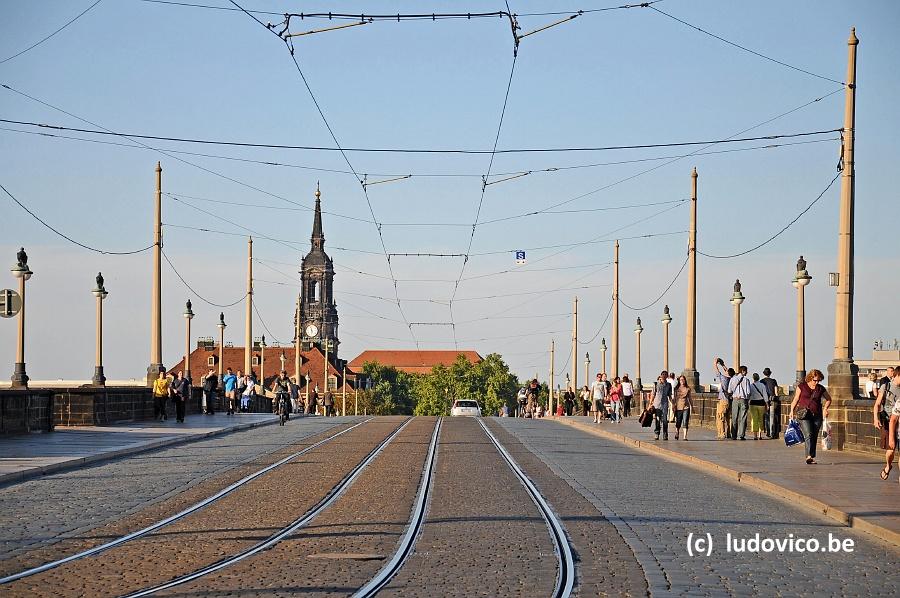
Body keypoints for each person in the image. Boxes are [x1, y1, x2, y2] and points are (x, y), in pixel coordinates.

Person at [789, 369, 832, 464]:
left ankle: (812, 456)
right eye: (815, 380)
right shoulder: (802, 386)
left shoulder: (820, 388)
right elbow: (796, 399)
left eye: (818, 380)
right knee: (808, 434)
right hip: (804, 415)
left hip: (817, 415)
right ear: (810, 378)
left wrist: (825, 408)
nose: (816, 382)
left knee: (814, 436)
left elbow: (829, 399)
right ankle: (808, 456)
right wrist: (791, 410)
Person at [873, 367, 898, 480]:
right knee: (890, 450)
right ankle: (888, 465)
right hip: (887, 420)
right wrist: (875, 418)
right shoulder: (886, 386)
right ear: (897, 375)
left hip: (898, 420)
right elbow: (877, 404)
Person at [728, 365, 752, 440]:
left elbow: (729, 390)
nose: (747, 372)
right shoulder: (746, 380)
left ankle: (734, 435)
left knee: (734, 417)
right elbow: (748, 392)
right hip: (743, 399)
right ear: (743, 371)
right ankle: (741, 435)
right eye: (746, 371)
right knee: (743, 418)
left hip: (735, 399)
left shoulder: (733, 379)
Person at [713, 359, 732, 440]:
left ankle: (721, 433)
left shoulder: (724, 378)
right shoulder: (732, 379)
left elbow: (717, 372)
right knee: (728, 418)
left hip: (723, 400)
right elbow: (728, 371)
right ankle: (729, 433)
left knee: (720, 417)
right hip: (729, 400)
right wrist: (723, 364)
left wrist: (715, 364)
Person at [748, 373, 770, 440]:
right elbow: (765, 395)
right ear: (759, 378)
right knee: (761, 419)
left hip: (753, 403)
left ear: (753, 378)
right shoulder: (762, 385)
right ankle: (760, 435)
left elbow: (749, 395)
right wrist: (767, 404)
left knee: (754, 419)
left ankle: (755, 435)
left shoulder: (751, 386)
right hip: (761, 403)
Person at [651, 372, 672, 440]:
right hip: (657, 404)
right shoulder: (656, 384)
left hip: (665, 404)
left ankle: (665, 434)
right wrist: (650, 404)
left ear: (667, 376)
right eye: (663, 375)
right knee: (657, 420)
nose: (664, 376)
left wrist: (673, 404)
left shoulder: (668, 385)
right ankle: (657, 433)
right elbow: (653, 394)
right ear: (660, 375)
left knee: (665, 420)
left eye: (665, 375)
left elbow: (669, 395)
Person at [760, 367, 780, 439]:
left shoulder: (761, 381)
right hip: (773, 400)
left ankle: (768, 432)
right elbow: (776, 392)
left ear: (764, 373)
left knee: (767, 417)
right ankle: (774, 432)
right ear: (770, 373)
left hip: (765, 401)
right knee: (774, 416)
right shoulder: (773, 381)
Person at [673, 374, 693, 440]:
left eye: (683, 379)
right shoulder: (676, 388)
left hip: (686, 407)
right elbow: (675, 398)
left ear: (685, 380)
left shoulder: (688, 388)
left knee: (685, 421)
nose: (682, 381)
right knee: (678, 421)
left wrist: (692, 407)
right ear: (679, 381)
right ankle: (677, 432)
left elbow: (690, 398)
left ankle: (685, 436)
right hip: (678, 407)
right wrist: (674, 405)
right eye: (681, 380)